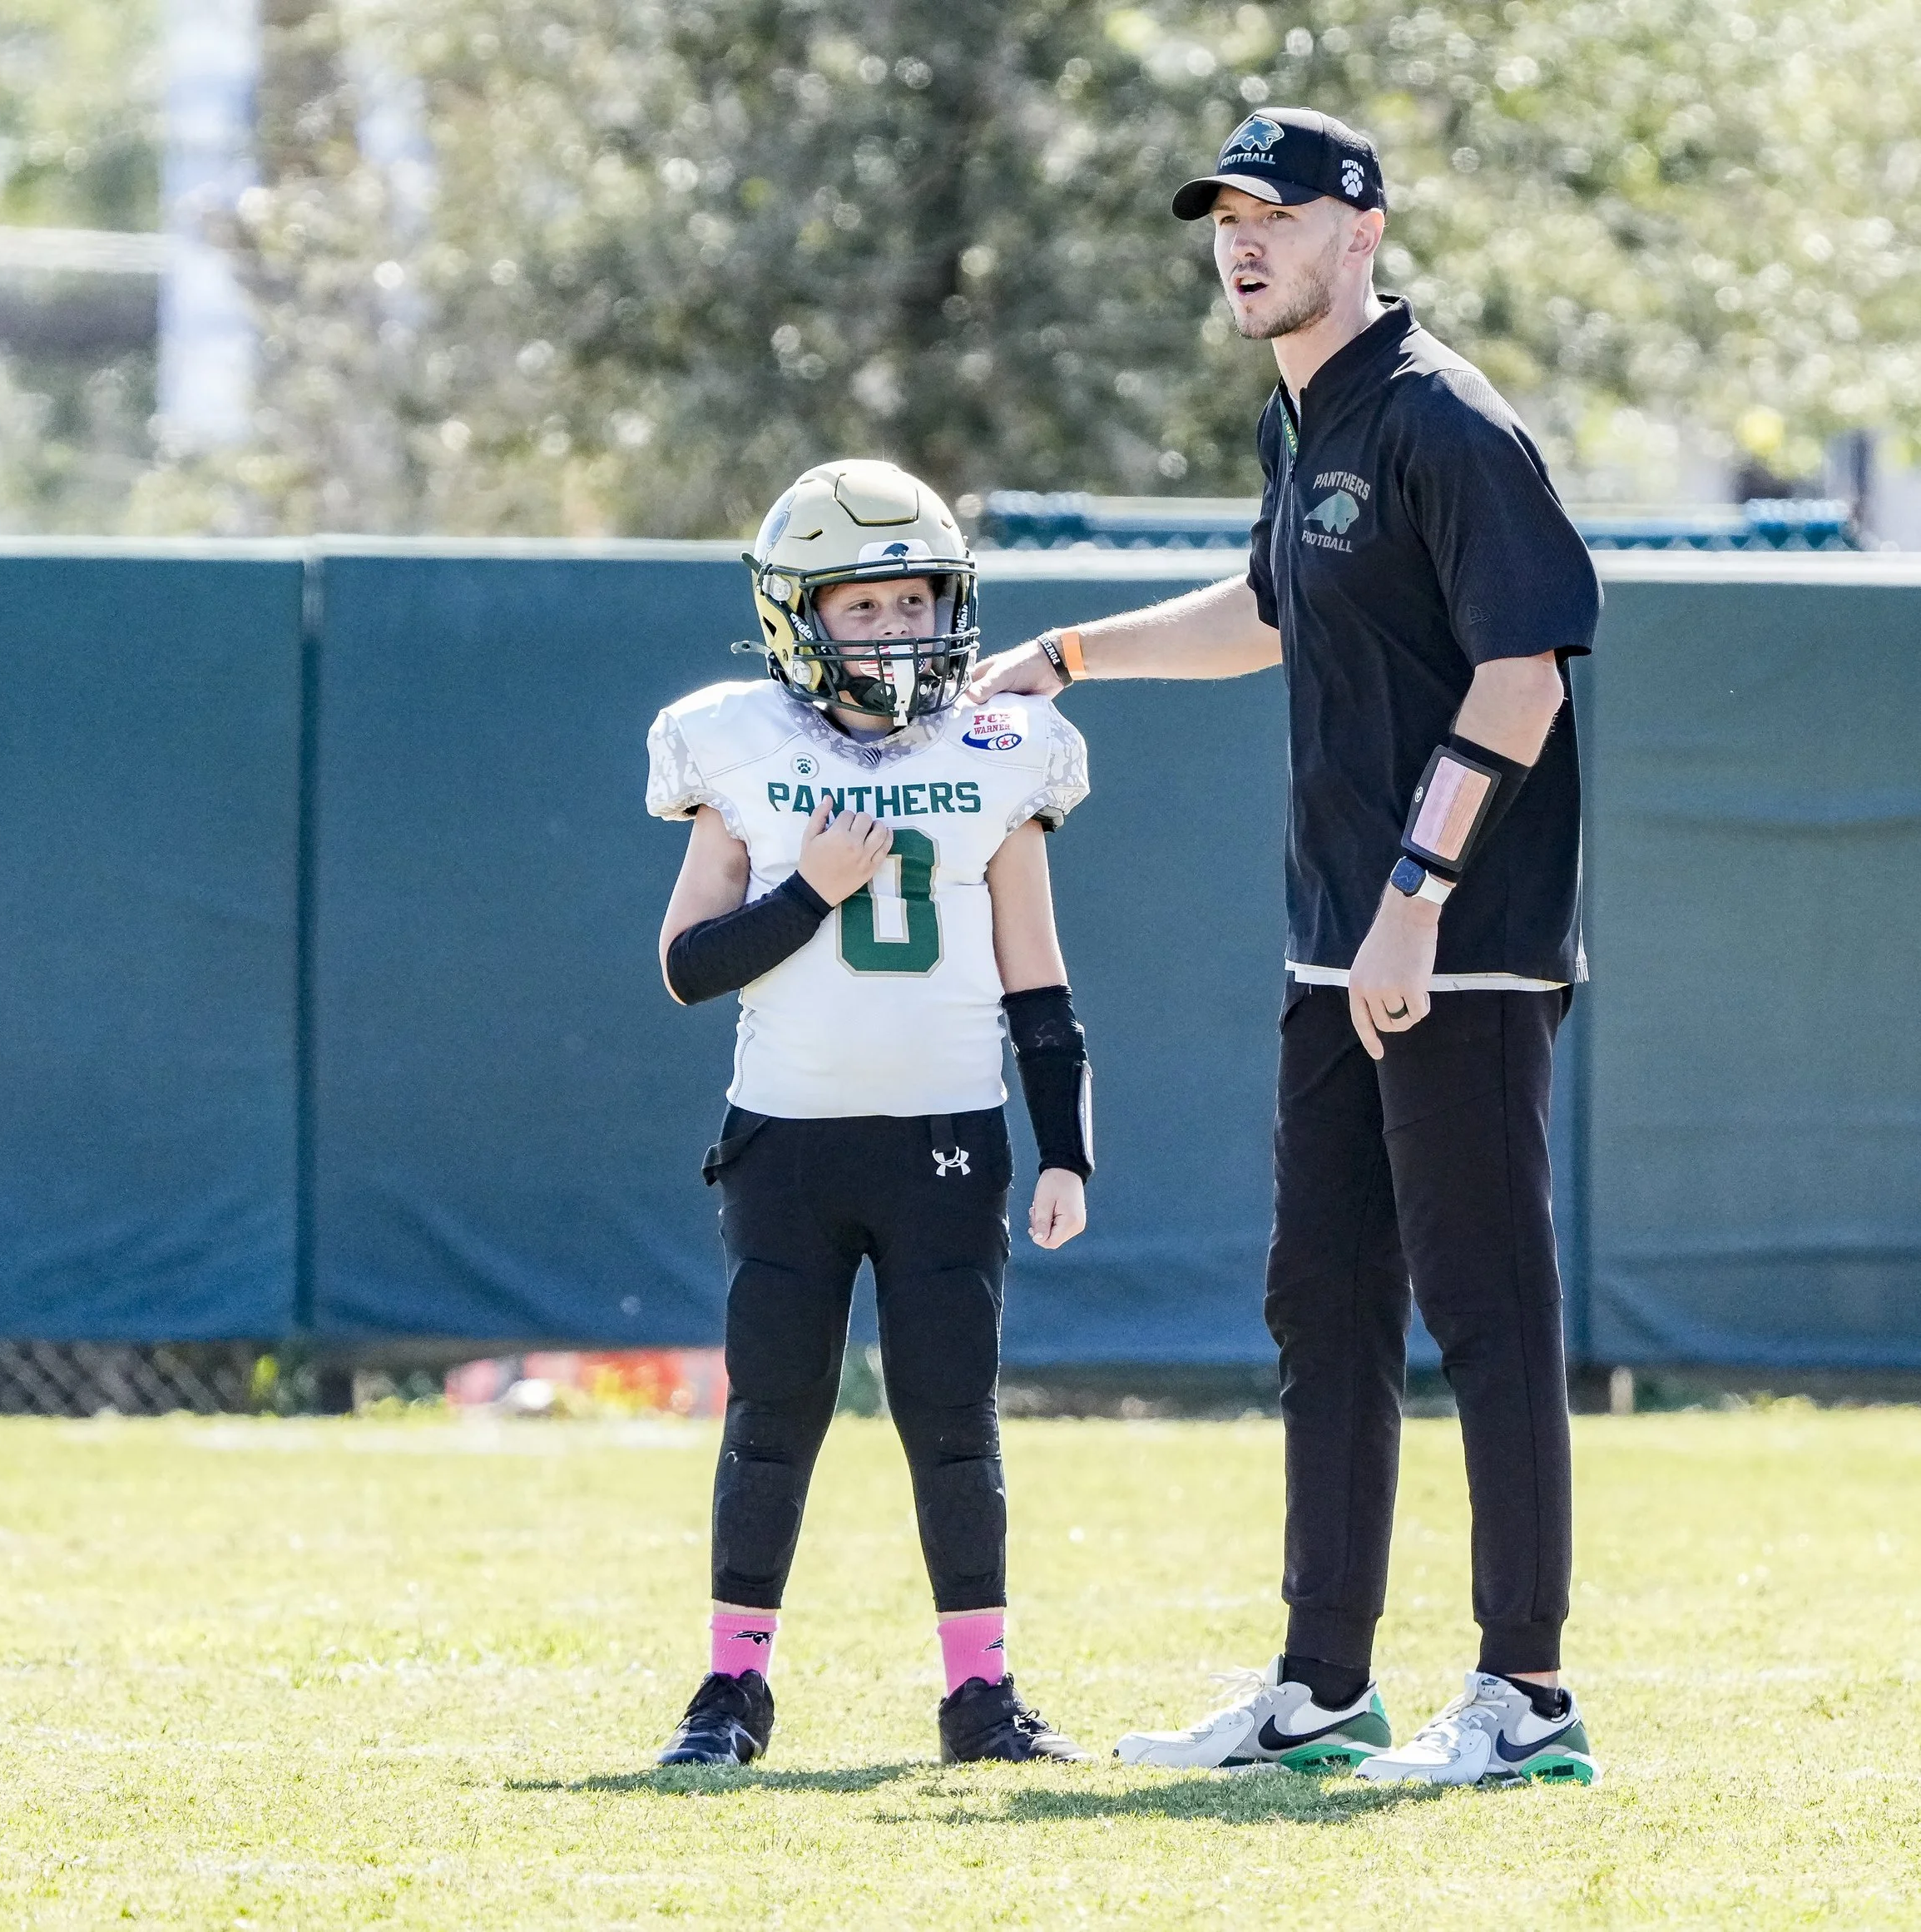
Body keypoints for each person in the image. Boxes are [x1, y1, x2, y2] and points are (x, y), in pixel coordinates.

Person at [970, 110, 1601, 1786]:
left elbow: (1522, 671)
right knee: (1320, 1308)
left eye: (1275, 213)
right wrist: (1069, 652)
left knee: (1484, 1315)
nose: (1238, 241)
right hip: (1338, 949)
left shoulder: (1443, 420)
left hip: (1447, 948)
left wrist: (1413, 898)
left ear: (1362, 230)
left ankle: (1526, 1697)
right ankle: (1320, 1686)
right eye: (1221, 217)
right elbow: (1262, 614)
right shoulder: (1299, 422)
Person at [644, 458, 1096, 1768]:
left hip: (949, 1140)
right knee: (771, 1413)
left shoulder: (1003, 748)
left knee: (955, 1416)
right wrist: (809, 894)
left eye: (916, 603)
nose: (899, 632)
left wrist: (1065, 1142)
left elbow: (1038, 973)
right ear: (801, 617)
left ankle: (982, 1692)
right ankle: (731, 1690)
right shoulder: (741, 744)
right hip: (785, 1140)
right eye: (866, 607)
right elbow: (684, 963)